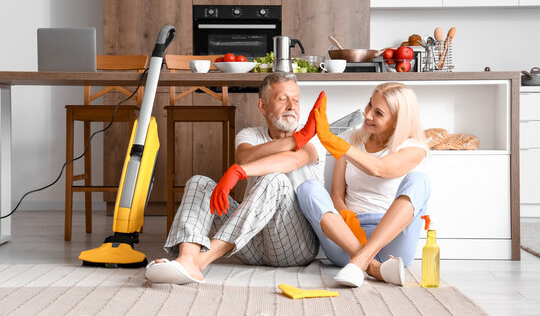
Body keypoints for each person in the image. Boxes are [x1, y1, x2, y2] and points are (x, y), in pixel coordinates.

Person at [145, 73, 327, 284]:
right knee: (199, 182)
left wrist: (301, 138)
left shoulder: (315, 141)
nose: (291, 106)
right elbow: (246, 157)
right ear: (262, 105)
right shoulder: (250, 135)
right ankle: (186, 259)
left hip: (295, 246)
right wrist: (297, 138)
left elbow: (292, 161)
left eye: (295, 100)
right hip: (250, 241)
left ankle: (201, 262)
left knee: (275, 179)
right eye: (282, 99)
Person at [297, 82, 430, 287]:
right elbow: (337, 197)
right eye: (369, 105)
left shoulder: (414, 149)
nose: (367, 115)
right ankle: (372, 267)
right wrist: (347, 221)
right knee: (307, 189)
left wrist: (334, 142)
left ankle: (360, 261)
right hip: (346, 240)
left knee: (420, 181)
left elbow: (379, 168)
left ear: (397, 121)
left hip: (393, 244)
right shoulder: (351, 139)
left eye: (378, 113)